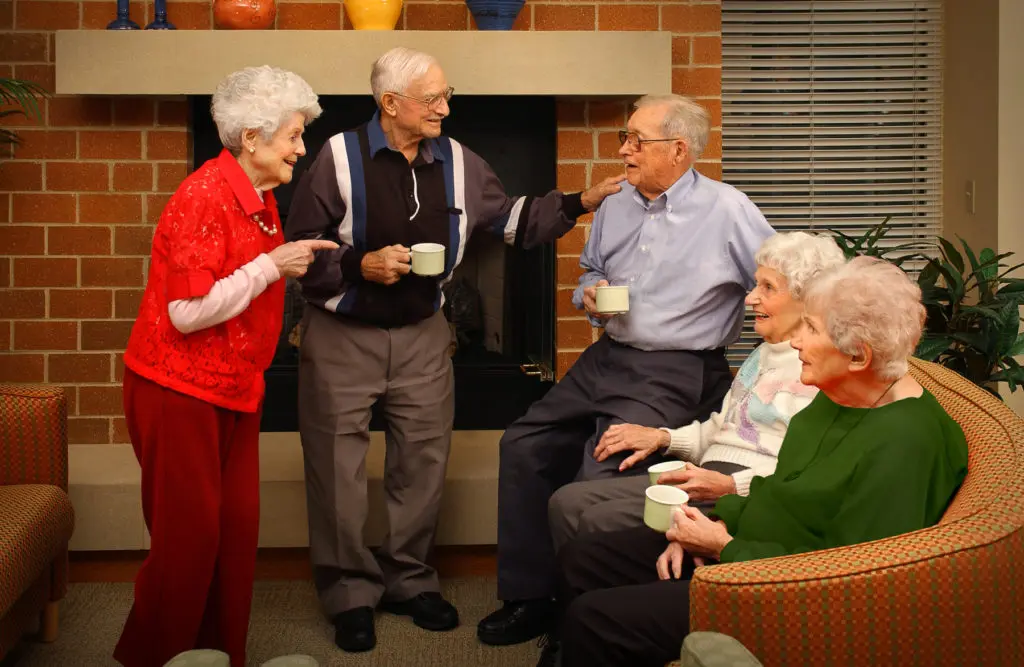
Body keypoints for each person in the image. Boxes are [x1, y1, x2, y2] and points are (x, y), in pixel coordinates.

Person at [284, 46, 623, 653]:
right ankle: (349, 593)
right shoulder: (336, 157)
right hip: (342, 334)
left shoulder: (462, 162)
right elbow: (300, 250)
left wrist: (580, 201)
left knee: (423, 461)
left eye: (447, 95)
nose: (445, 107)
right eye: (433, 98)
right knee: (335, 468)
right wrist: (361, 265)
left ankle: (410, 580)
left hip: (422, 332)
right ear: (391, 103)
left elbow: (511, 221)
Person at [546, 256, 969, 667]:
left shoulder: (905, 443)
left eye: (811, 330)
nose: (796, 342)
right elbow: (778, 490)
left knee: (594, 621)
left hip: (780, 596)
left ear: (858, 356)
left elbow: (848, 577)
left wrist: (725, 547)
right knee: (581, 559)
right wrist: (710, 525)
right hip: (745, 547)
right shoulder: (840, 395)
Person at [480, 93, 776, 647]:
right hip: (607, 356)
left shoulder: (728, 210)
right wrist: (589, 292)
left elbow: (778, 281)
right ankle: (530, 597)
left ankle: (583, 622)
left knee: (602, 469)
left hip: (677, 367)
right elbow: (591, 269)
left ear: (679, 150)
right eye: (625, 137)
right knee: (523, 443)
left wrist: (776, 351)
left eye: (638, 140)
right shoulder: (616, 203)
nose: (624, 150)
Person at [114, 67, 334, 667]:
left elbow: (246, 281)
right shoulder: (202, 195)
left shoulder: (259, 196)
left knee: (233, 534)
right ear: (252, 137)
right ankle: (156, 657)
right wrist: (272, 267)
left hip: (235, 387)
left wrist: (283, 264)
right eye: (293, 136)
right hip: (177, 389)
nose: (301, 148)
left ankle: (216, 655)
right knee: (188, 541)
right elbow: (186, 313)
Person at [547, 231, 845, 553]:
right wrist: (661, 437)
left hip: (744, 491)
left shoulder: (817, 368)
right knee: (566, 502)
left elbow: (808, 470)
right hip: (707, 472)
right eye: (756, 284)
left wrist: (732, 486)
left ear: (807, 298)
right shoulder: (763, 354)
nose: (750, 298)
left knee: (599, 522)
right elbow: (721, 429)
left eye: (768, 288)